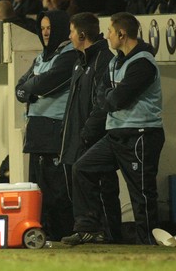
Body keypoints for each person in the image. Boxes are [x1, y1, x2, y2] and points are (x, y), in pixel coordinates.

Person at [61, 12, 164, 245]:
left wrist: (108, 97)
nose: (106, 35)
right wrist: (109, 97)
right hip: (115, 133)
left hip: (140, 135)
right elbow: (104, 96)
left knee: (141, 193)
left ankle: (146, 242)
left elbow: (117, 100)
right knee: (82, 168)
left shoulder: (143, 63)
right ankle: (89, 228)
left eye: (109, 31)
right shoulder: (117, 60)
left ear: (121, 33)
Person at [15, 10, 78, 241]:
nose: (46, 32)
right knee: (39, 188)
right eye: (42, 28)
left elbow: (44, 84)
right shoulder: (41, 57)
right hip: (36, 130)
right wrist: (30, 89)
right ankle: (46, 232)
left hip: (55, 130)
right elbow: (21, 88)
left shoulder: (69, 56)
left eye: (49, 27)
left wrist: (31, 89)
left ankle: (64, 232)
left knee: (58, 188)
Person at [59, 12, 122, 243]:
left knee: (104, 189)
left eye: (72, 31)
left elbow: (102, 104)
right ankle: (89, 230)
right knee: (84, 188)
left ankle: (112, 236)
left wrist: (87, 133)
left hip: (95, 138)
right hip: (79, 138)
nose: (69, 36)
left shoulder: (103, 61)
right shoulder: (80, 62)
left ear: (82, 34)